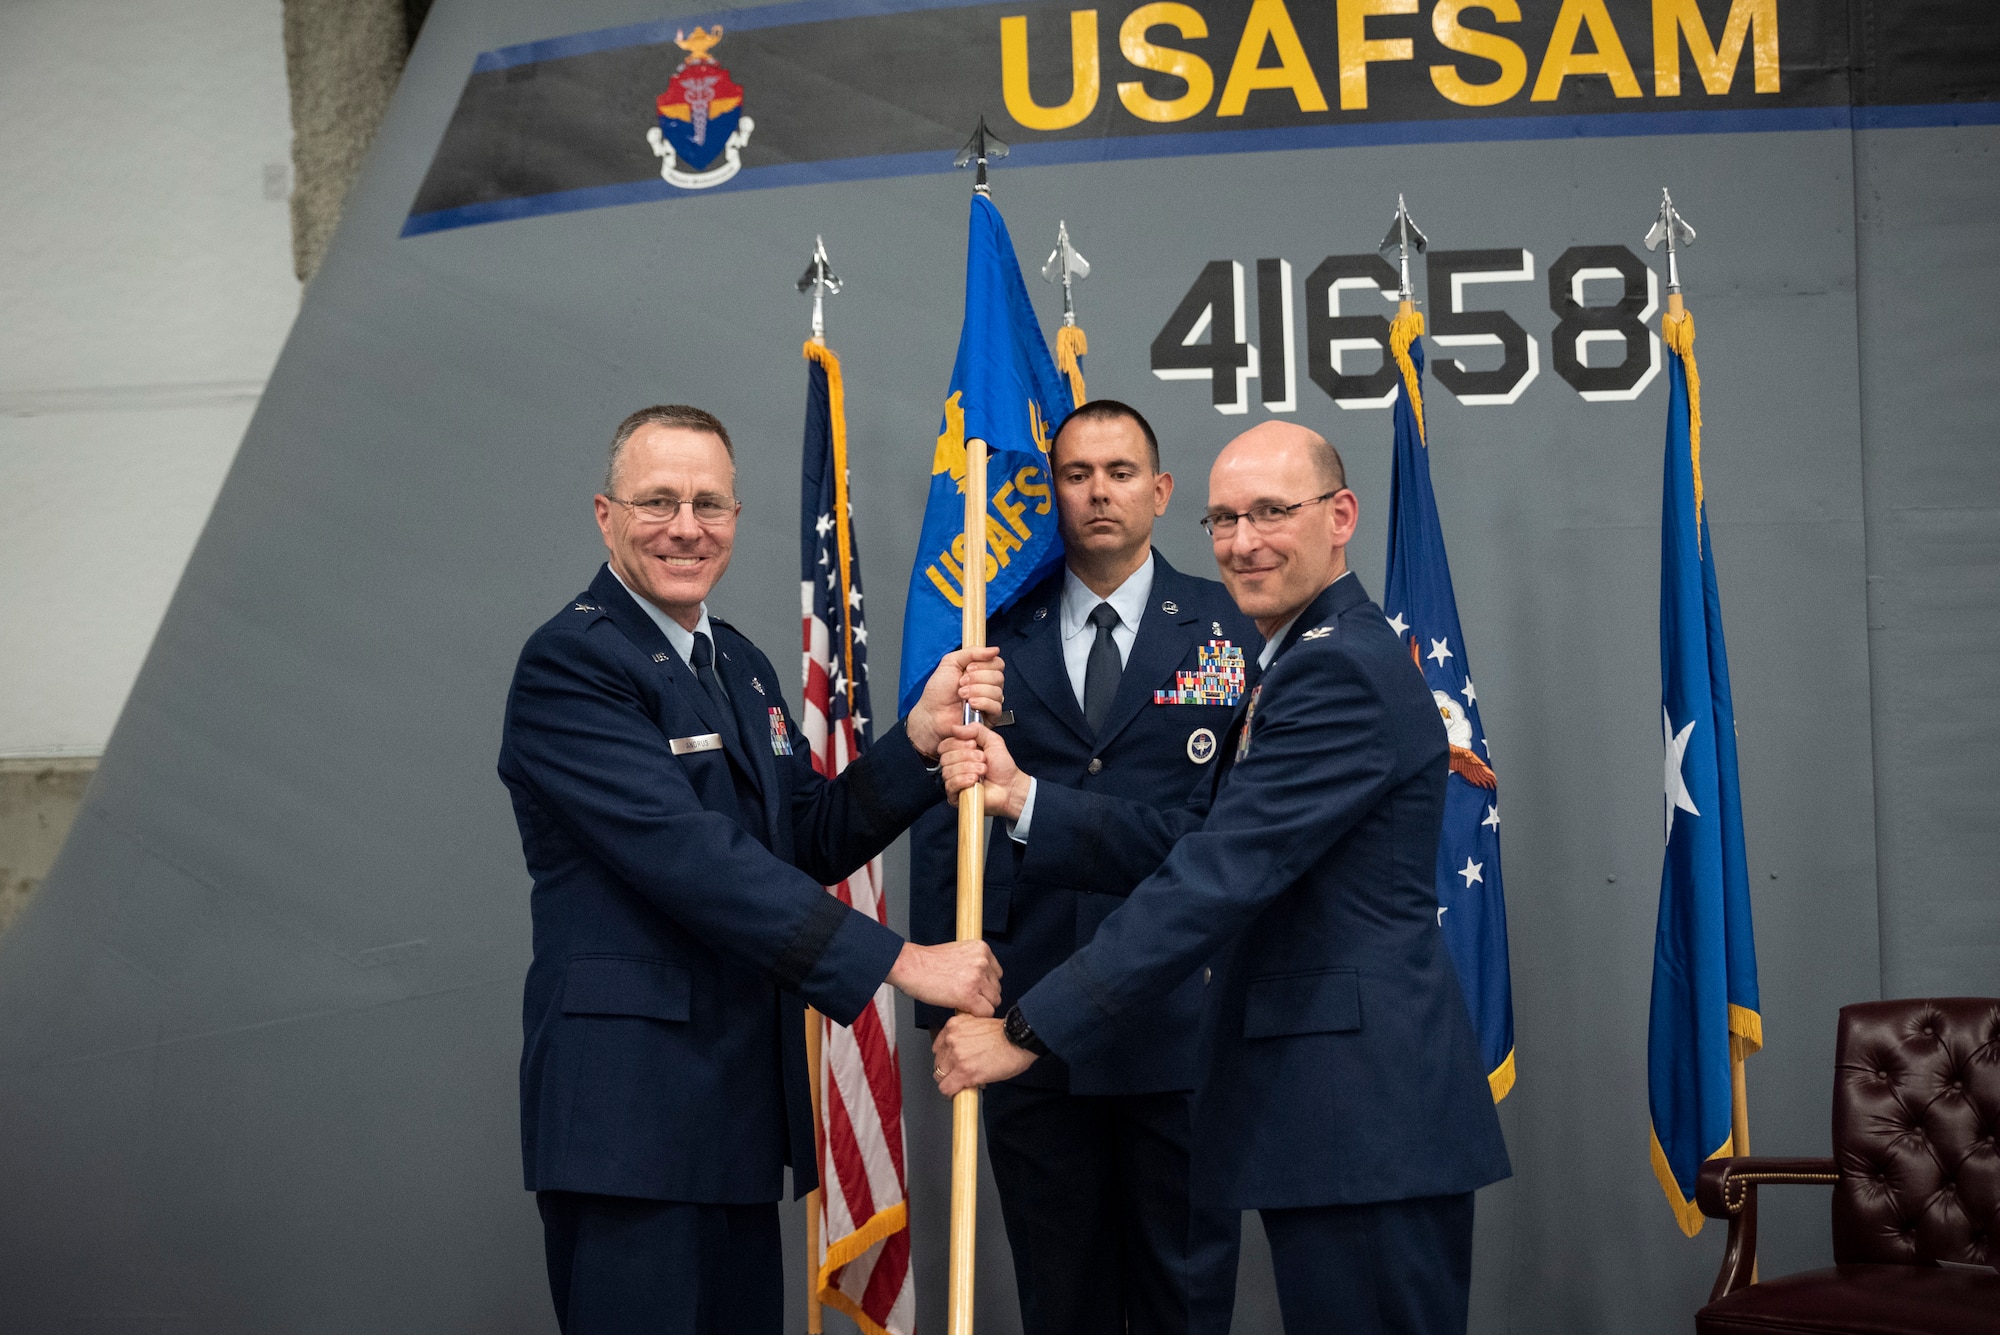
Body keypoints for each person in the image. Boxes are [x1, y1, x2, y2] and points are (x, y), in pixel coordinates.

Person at [932, 420, 1511, 1335]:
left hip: (1361, 1117)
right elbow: (1199, 837)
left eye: (1273, 513)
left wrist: (1031, 1029)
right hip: (1339, 1117)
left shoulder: (1337, 672)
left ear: (1341, 514)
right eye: (1226, 520)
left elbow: (1215, 876)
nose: (1245, 543)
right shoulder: (1299, 657)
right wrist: (1024, 798)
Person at [497, 404, 1005, 1335]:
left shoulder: (738, 661)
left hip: (732, 1114)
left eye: (708, 503)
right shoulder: (571, 663)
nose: (685, 526)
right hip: (629, 1121)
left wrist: (920, 743)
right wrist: (902, 961)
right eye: (657, 502)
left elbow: (802, 834)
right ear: (605, 515)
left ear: (735, 518)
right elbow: (697, 860)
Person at [909, 400, 1257, 1335]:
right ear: (1050, 490)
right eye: (1076, 474)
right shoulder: (989, 630)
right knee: (1059, 1303)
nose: (1099, 492)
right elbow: (948, 816)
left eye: (1120, 471)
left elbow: (1223, 838)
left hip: (1181, 1023)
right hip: (1030, 1027)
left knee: (1184, 1302)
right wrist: (951, 997)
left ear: (1161, 490)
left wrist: (1039, 801)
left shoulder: (1234, 629)